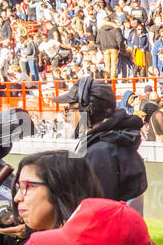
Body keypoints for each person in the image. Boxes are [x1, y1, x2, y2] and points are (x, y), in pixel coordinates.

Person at [55, 78, 147, 210]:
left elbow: (96, 209)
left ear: (87, 110)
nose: (66, 115)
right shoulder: (113, 143)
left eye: (69, 109)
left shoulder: (101, 151)